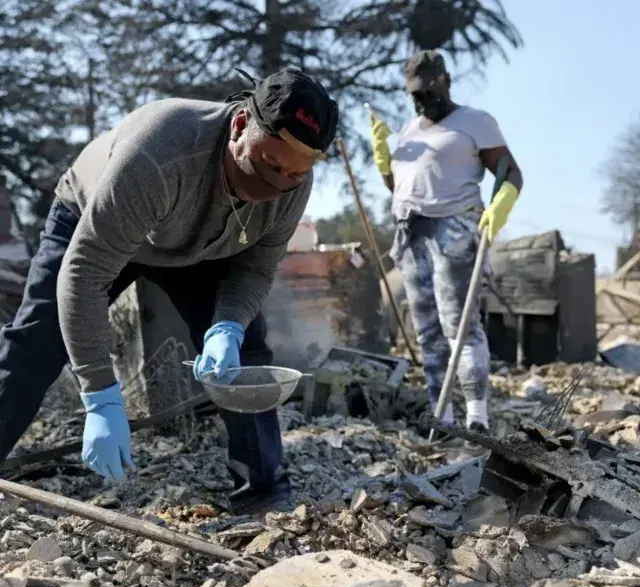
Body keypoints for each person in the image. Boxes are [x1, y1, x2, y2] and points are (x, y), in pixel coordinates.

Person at [0, 68, 339, 514]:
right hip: (97, 218)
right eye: (267, 165)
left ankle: (263, 491)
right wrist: (100, 396)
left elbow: (255, 270)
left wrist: (229, 327)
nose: (273, 187)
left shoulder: (292, 180)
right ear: (240, 125)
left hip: (196, 243)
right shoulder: (160, 153)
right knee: (38, 339)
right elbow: (83, 276)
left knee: (248, 354)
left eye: (292, 175)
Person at [370, 50, 523, 430]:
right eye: (415, 94)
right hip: (411, 232)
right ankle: (443, 417)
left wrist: (501, 202)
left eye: (428, 89)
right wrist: (385, 162)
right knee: (428, 331)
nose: (422, 99)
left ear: (446, 81)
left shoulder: (474, 122)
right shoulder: (408, 130)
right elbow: (400, 185)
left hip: (454, 228)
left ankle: (477, 418)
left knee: (459, 324)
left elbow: (510, 172)